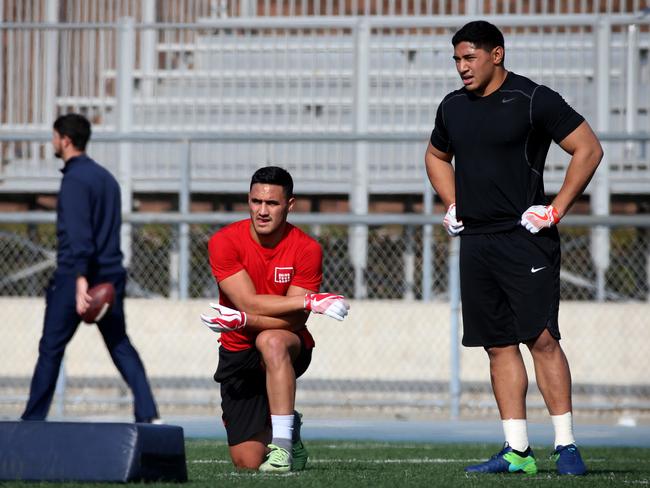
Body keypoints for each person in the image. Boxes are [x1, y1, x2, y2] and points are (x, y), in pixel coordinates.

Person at [425, 21, 602, 476]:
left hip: (525, 239)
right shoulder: (452, 106)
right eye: (457, 60)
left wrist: (556, 209)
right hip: (477, 241)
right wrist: (452, 203)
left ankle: (565, 446)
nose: (462, 67)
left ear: (496, 55)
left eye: (470, 57)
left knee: (541, 338)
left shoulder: (532, 98)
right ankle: (516, 450)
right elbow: (435, 156)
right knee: (498, 344)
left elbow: (587, 148)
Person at [200, 166, 349, 473]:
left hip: (286, 343)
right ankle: (288, 426)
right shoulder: (224, 241)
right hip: (238, 349)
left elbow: (293, 322)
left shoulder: (307, 248)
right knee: (247, 462)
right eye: (256, 202)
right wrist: (309, 300)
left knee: (272, 339)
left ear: (289, 205)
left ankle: (281, 446)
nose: (262, 211)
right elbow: (248, 302)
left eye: (272, 203)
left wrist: (246, 319)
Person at [22, 113, 159, 423]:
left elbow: (80, 236)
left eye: (55, 136)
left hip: (77, 277)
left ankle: (32, 422)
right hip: (112, 275)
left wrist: (81, 280)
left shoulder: (74, 181)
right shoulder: (106, 178)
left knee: (50, 349)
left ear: (65, 140)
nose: (53, 142)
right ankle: (149, 416)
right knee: (120, 344)